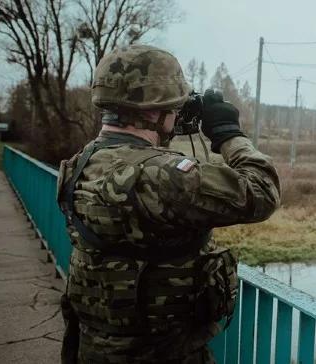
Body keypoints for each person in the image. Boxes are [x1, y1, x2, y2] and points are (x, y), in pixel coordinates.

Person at [56, 44, 281, 363]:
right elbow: (263, 191)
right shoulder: (164, 176)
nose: (177, 116)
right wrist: (228, 134)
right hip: (162, 353)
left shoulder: (78, 165)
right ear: (150, 111)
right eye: (173, 108)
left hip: (91, 346)